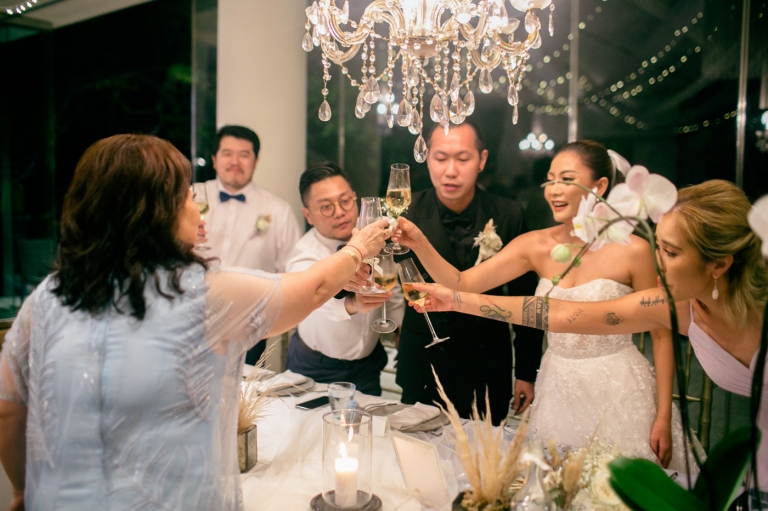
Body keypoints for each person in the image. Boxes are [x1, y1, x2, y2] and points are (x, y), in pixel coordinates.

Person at [0, 134, 388, 511]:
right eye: (187, 197)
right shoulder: (205, 295)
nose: (196, 209)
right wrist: (359, 248)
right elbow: (313, 290)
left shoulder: (47, 296)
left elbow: (8, 408)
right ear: (159, 211)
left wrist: (21, 489)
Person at [408, 180, 766, 477]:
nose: (656, 263)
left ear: (719, 265)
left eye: (670, 253)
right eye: (657, 246)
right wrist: (456, 300)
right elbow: (561, 314)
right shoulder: (672, 307)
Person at [393, 140, 682, 468]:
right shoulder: (536, 245)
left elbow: (662, 334)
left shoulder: (635, 250)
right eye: (550, 179)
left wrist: (662, 414)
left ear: (600, 186)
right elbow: (462, 282)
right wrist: (419, 242)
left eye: (567, 179)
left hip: (619, 387)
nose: (554, 190)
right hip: (558, 387)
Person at [395, 121, 542, 426]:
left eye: (463, 159)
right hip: (424, 362)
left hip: (487, 364)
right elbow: (375, 269)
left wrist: (527, 372)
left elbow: (526, 298)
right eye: (440, 158)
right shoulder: (405, 213)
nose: (451, 171)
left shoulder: (508, 214)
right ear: (427, 158)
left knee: (484, 454)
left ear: (482, 160)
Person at [284, 162, 405, 395]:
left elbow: (391, 287)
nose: (339, 212)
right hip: (315, 367)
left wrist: (400, 331)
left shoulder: (372, 237)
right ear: (308, 215)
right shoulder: (304, 254)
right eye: (326, 207)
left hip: (368, 367)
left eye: (345, 201)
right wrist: (352, 303)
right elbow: (313, 296)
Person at [201, 125, 303, 365]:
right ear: (214, 160)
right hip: (193, 317)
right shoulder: (191, 198)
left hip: (249, 325)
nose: (235, 162)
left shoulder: (278, 211)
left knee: (245, 386)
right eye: (227, 153)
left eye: (244, 155)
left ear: (255, 161)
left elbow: (293, 274)